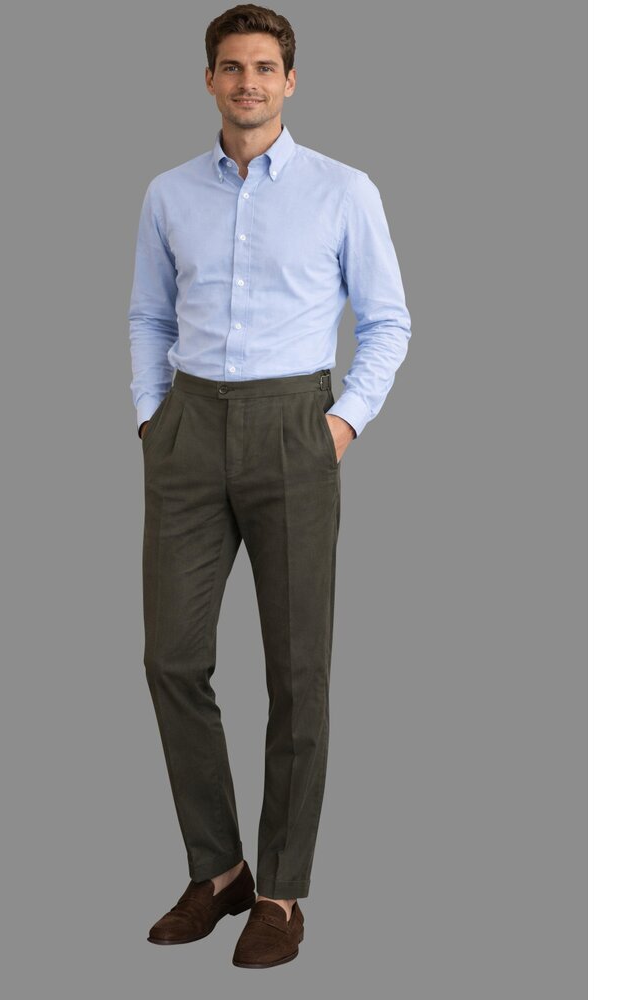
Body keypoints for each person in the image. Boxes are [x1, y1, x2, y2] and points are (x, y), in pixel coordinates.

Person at [128, 4, 411, 969]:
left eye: (263, 67)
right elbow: (147, 313)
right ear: (208, 79)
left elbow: (389, 321)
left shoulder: (343, 190)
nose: (246, 82)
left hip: (295, 427)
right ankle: (219, 872)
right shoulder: (168, 193)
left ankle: (282, 892)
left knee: (297, 672)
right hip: (188, 428)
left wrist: (341, 423)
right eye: (230, 66)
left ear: (290, 81)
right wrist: (151, 416)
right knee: (172, 659)